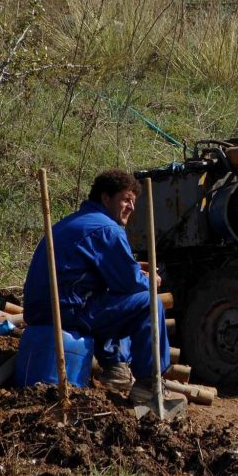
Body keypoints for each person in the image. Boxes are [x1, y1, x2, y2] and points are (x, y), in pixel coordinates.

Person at [23, 169, 174, 405]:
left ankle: (116, 368)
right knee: (148, 301)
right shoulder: (108, 230)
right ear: (106, 198)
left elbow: (102, 271)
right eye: (126, 199)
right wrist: (150, 280)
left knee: (108, 295)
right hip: (69, 311)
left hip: (42, 309)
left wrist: (132, 267)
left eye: (133, 202)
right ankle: (147, 385)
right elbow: (128, 283)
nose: (131, 208)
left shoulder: (73, 223)